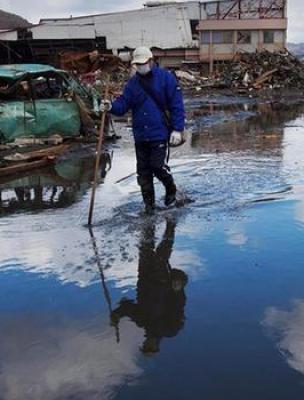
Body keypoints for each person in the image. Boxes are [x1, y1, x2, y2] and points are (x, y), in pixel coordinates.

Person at [102, 47, 185, 213]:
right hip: (140, 135)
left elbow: (177, 104)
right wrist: (110, 106)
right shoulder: (133, 84)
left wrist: (177, 129)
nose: (140, 67)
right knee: (143, 173)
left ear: (151, 61)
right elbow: (123, 104)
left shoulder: (165, 79)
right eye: (137, 64)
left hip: (159, 133)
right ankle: (149, 206)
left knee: (157, 166)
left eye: (143, 63)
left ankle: (171, 189)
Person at [110, 216, 187, 355]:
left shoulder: (142, 321)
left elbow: (127, 308)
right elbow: (179, 305)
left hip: (145, 276)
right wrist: (178, 289)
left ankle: (149, 219)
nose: (149, 345)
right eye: (151, 348)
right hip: (162, 280)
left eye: (146, 347)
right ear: (157, 347)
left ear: (143, 344)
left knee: (145, 247)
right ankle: (170, 222)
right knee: (163, 252)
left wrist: (116, 315)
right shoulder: (170, 329)